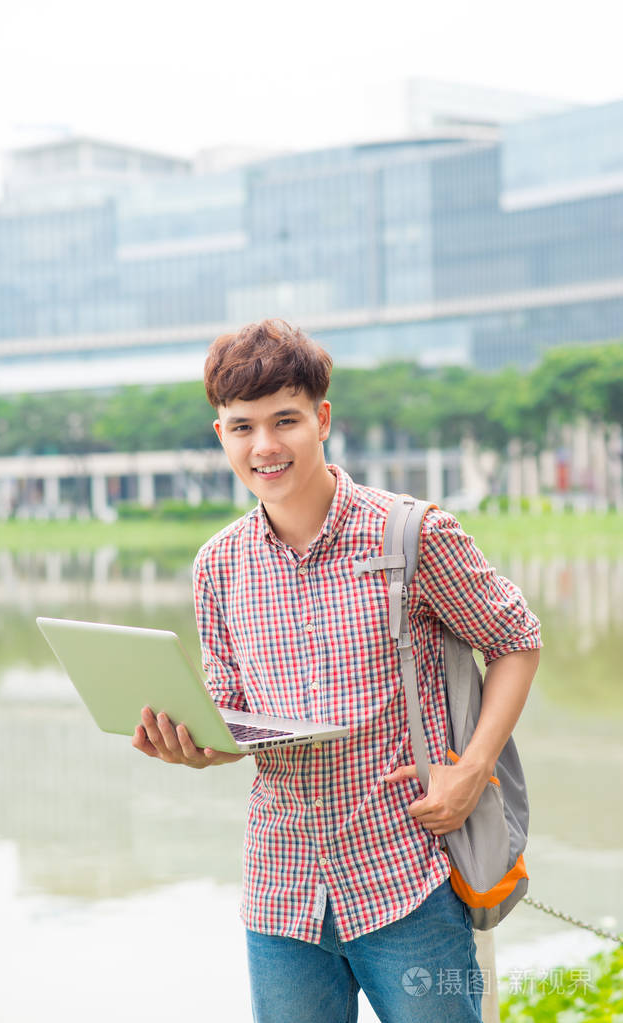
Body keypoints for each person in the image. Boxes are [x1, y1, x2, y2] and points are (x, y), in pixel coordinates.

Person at [132, 319, 541, 1023]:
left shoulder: (411, 534)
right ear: (219, 434)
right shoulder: (218, 565)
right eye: (241, 427)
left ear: (321, 419)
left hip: (406, 877)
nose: (264, 446)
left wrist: (471, 769)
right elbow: (231, 717)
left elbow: (515, 638)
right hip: (280, 892)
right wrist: (192, 746)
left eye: (284, 420)